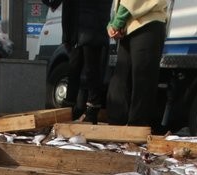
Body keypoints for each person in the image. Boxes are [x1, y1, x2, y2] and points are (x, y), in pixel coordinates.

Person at [47, 0, 113, 124]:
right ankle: (70, 110)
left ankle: (91, 112)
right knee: (75, 69)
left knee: (90, 71)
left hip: (90, 26)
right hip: (79, 29)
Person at [105, 0, 167, 129]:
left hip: (147, 22)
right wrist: (116, 23)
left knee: (140, 79)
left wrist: (116, 23)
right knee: (127, 78)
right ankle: (120, 124)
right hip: (131, 25)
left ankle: (134, 126)